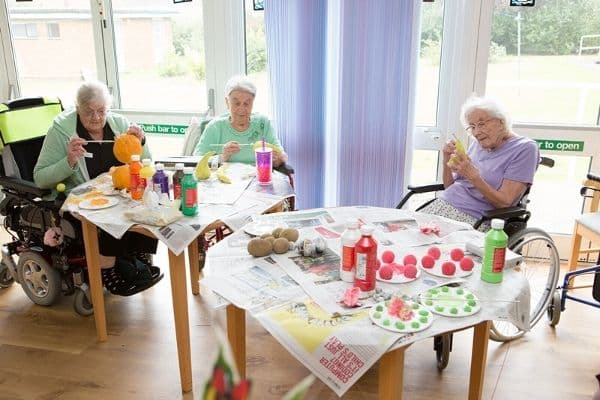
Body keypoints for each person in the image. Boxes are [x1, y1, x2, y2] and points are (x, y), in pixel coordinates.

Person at [33, 80, 162, 296]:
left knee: (148, 203)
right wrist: (69, 161)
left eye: (101, 111)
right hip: (84, 200)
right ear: (77, 109)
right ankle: (108, 267)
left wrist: (142, 142)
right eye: (88, 112)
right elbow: (40, 178)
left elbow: (145, 163)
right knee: (107, 214)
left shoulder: (119, 125)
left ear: (107, 108)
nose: (96, 117)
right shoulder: (61, 132)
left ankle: (135, 257)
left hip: (119, 193)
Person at [419, 95, 540, 231]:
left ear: (501, 122)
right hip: (442, 204)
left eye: (482, 124)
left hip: (474, 218)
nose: (476, 132)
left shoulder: (525, 148)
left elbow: (505, 203)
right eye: (472, 127)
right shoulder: (478, 144)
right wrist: (446, 158)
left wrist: (473, 176)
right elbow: (450, 187)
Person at [193, 75, 288, 167]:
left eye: (246, 103)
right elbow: (196, 160)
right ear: (227, 102)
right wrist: (222, 157)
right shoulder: (215, 127)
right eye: (236, 103)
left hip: (258, 178)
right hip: (225, 180)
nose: (241, 109)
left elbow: (282, 156)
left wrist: (277, 161)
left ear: (253, 103)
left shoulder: (263, 124)